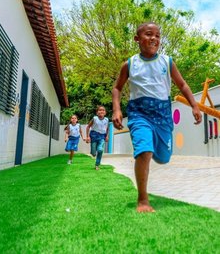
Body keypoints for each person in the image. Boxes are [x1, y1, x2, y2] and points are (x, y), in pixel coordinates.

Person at [112, 22, 202, 213]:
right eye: (148, 34)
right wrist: (117, 110)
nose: (153, 38)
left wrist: (194, 105)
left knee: (162, 158)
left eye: (157, 36)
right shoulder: (129, 64)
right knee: (145, 151)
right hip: (139, 114)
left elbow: (183, 84)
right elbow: (117, 88)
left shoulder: (167, 62)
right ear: (137, 39)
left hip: (162, 115)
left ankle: (155, 150)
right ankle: (143, 200)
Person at [86, 106, 109, 170]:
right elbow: (88, 127)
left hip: (102, 136)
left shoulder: (106, 120)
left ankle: (97, 165)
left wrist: (107, 136)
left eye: (103, 110)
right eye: (100, 110)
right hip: (94, 135)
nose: (101, 111)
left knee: (100, 150)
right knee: (93, 153)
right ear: (97, 112)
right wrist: (87, 136)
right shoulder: (95, 119)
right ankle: (93, 153)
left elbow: (107, 128)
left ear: (105, 112)